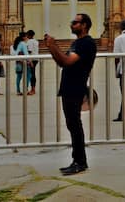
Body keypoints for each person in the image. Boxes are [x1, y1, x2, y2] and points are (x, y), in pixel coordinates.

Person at [44, 13, 97, 176]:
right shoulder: (78, 43)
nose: (72, 25)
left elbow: (65, 61)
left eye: (75, 22)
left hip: (75, 88)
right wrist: (52, 47)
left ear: (85, 25)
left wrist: (53, 45)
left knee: (75, 125)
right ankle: (77, 160)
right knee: (72, 124)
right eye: (72, 22)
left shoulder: (86, 43)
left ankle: (80, 162)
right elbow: (63, 62)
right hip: (69, 88)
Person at [25, 31, 39, 95]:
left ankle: (33, 89)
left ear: (29, 35)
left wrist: (29, 61)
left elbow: (29, 51)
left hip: (32, 59)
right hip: (36, 59)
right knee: (33, 73)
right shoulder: (36, 41)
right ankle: (33, 88)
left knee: (32, 74)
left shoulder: (29, 41)